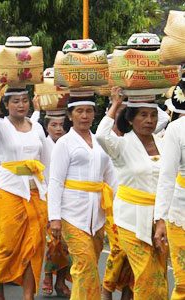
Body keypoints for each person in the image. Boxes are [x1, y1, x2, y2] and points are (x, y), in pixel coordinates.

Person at [0, 72, 49, 300]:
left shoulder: (37, 128)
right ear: (6, 105)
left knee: (34, 245)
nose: (21, 105)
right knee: (8, 245)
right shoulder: (0, 127)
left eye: (24, 100)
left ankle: (28, 295)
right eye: (15, 101)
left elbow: (45, 163)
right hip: (9, 191)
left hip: (36, 192)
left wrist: (48, 192)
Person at [96, 88, 168, 300]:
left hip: (160, 219)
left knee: (160, 274)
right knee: (147, 274)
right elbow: (101, 134)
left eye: (153, 115)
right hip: (130, 220)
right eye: (143, 115)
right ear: (131, 119)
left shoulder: (164, 142)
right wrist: (117, 103)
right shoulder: (121, 145)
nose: (150, 120)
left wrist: (150, 93)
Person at [48, 90, 116, 300]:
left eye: (89, 111)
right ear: (70, 115)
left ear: (94, 114)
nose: (85, 116)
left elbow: (112, 178)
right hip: (71, 214)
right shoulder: (64, 143)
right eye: (79, 111)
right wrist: (54, 217)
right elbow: (56, 181)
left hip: (97, 215)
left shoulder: (100, 143)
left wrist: (119, 207)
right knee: (84, 265)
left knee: (90, 266)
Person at [154, 80, 185, 300]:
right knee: (183, 283)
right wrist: (160, 219)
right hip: (180, 213)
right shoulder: (176, 130)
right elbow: (166, 177)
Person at [39, 110, 71, 297]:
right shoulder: (43, 144)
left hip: (70, 199)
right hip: (47, 198)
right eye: (53, 125)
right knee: (53, 243)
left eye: (61, 125)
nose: (58, 129)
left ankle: (60, 281)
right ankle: (48, 276)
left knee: (67, 244)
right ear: (46, 127)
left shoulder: (71, 143)